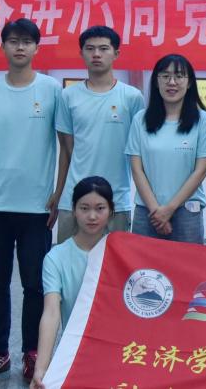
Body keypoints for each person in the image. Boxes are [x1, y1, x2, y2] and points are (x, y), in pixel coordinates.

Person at [0, 18, 63, 385]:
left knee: (35, 285)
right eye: (13, 41)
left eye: (26, 41)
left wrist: (58, 193)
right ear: (3, 46)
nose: (20, 47)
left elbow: (65, 145)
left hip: (37, 208)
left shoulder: (51, 90)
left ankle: (32, 352)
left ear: (37, 47)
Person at [54, 25, 144, 243]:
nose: (96, 54)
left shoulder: (132, 97)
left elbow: (139, 152)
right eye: (90, 48)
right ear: (81, 53)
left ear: (116, 53)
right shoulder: (68, 96)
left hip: (116, 200)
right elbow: (66, 151)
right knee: (70, 261)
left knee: (112, 262)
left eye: (103, 49)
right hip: (74, 199)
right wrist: (58, 194)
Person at [30, 176, 114, 389]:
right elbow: (51, 313)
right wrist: (41, 367)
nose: (92, 216)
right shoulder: (56, 258)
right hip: (76, 351)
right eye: (84, 208)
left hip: (117, 350)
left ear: (111, 211)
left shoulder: (122, 254)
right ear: (74, 210)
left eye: (100, 208)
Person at [127, 54, 206, 244]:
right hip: (147, 211)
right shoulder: (140, 119)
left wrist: (169, 209)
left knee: (186, 263)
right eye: (165, 76)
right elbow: (137, 169)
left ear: (189, 83)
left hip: (187, 212)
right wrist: (156, 211)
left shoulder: (203, 120)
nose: (172, 82)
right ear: (156, 82)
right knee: (143, 263)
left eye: (179, 76)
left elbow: (200, 171)